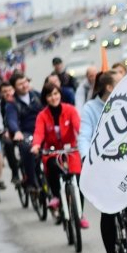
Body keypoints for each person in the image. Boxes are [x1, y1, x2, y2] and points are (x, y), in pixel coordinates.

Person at [78, 71, 121, 253]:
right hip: (103, 163)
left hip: (125, 160)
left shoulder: (126, 100)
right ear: (109, 87)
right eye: (119, 82)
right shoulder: (90, 108)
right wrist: (86, 157)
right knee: (108, 210)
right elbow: (84, 135)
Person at [31, 82, 88, 229]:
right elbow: (38, 133)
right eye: (50, 95)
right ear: (45, 98)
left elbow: (79, 127)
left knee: (77, 180)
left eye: (56, 94)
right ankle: (56, 196)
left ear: (60, 95)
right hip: (52, 151)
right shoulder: (42, 116)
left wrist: (86, 139)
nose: (53, 97)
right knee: (51, 166)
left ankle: (80, 214)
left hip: (71, 150)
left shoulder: (70, 110)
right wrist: (36, 145)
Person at [7, 73, 43, 190]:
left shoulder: (37, 96)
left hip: (42, 131)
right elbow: (11, 120)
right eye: (20, 84)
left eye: (25, 82)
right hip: (26, 133)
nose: (24, 85)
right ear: (14, 87)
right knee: (27, 147)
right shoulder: (12, 104)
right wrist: (17, 131)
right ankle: (31, 182)